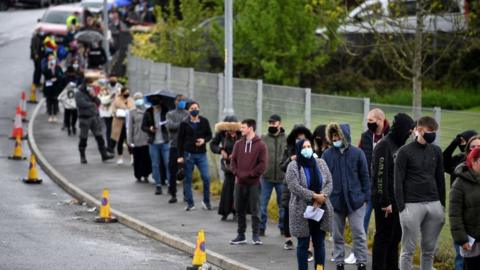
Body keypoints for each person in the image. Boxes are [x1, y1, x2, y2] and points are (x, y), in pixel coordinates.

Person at [394, 116, 446, 270]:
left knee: (429, 250)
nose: (432, 134)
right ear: (418, 130)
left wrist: (442, 205)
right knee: (407, 251)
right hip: (411, 205)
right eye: (429, 131)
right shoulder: (404, 152)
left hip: (434, 204)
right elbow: (398, 182)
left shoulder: (436, 151)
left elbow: (440, 179)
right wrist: (402, 208)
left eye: (434, 131)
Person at [322, 122, 369, 270]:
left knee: (359, 233)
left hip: (356, 202)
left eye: (338, 136)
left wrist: (365, 198)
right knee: (337, 235)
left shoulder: (357, 153)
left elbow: (364, 176)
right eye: (333, 136)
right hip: (335, 202)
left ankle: (361, 261)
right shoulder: (327, 155)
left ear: (345, 136)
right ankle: (339, 262)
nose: (335, 138)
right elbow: (323, 177)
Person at [371, 113, 414, 270]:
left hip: (397, 201)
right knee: (383, 237)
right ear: (402, 128)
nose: (410, 133)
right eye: (409, 129)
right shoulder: (384, 145)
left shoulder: (399, 145)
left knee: (394, 238)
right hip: (385, 202)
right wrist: (385, 201)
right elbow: (380, 176)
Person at [286, 138, 333, 270]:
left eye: (309, 146)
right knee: (303, 244)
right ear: (299, 150)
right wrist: (314, 196)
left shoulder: (321, 163)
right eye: (304, 147)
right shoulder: (293, 166)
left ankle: (319, 269)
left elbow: (329, 182)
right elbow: (294, 186)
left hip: (320, 210)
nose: (307, 149)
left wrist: (322, 196)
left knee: (319, 244)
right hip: (301, 211)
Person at [350, 108, 390, 265]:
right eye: (367, 120)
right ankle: (357, 253)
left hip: (384, 190)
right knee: (361, 222)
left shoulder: (390, 137)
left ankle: (385, 257)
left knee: (384, 227)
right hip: (367, 188)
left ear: (380, 120)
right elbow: (358, 158)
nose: (369, 123)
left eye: (371, 120)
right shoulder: (366, 136)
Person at [443, 130, 477, 270]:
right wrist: (454, 143)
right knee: (461, 258)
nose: (475, 150)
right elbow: (444, 160)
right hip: (462, 219)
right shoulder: (459, 163)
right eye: (472, 146)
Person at [230, 119, 268, 245]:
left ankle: (255, 235)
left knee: (255, 209)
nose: (241, 129)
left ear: (250, 128)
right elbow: (233, 161)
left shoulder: (261, 145)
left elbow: (262, 165)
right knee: (239, 208)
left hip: (254, 183)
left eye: (243, 127)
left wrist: (250, 174)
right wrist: (237, 172)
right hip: (239, 183)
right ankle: (241, 235)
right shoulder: (238, 144)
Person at [280, 125, 314, 251]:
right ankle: (288, 239)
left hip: (306, 186)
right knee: (287, 212)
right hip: (289, 186)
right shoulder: (288, 149)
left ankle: (307, 242)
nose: (300, 141)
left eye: (302, 138)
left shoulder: (309, 150)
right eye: (298, 139)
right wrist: (291, 159)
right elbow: (282, 166)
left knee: (307, 214)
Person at [177, 102, 213, 211]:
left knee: (206, 177)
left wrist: (204, 140)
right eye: (192, 108)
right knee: (188, 179)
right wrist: (180, 156)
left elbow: (209, 135)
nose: (194, 110)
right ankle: (190, 203)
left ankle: (206, 202)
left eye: (196, 108)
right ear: (188, 110)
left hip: (201, 154)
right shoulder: (184, 123)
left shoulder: (204, 121)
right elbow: (180, 140)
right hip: (188, 154)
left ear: (199, 109)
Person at [450, 148, 480, 270]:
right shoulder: (459, 184)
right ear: (473, 161)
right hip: (472, 243)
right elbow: (454, 215)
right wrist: (462, 239)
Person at [75, 78, 114, 164]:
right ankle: (83, 156)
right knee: (83, 138)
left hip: (94, 117)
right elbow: (81, 104)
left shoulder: (91, 93)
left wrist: (94, 96)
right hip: (84, 118)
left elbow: (99, 102)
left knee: (99, 137)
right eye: (89, 85)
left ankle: (104, 155)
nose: (90, 87)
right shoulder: (79, 93)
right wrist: (92, 104)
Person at [210, 116, 242, 221]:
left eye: (234, 129)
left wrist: (236, 154)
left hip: (240, 165)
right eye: (229, 129)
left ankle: (237, 211)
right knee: (228, 187)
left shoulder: (241, 134)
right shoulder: (221, 134)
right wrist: (220, 151)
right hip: (228, 165)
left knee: (238, 188)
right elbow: (213, 144)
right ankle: (225, 211)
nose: (232, 132)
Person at [260, 114, 286, 236]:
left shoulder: (286, 139)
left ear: (279, 124)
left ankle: (282, 227)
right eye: (270, 123)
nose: (271, 125)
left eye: (274, 123)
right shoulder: (263, 139)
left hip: (282, 178)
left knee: (283, 205)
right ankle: (261, 228)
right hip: (266, 177)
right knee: (262, 204)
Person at [142, 93, 171, 195]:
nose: (156, 108)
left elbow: (170, 122)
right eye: (155, 106)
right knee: (155, 164)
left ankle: (170, 185)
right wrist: (149, 129)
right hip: (153, 142)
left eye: (158, 106)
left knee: (167, 163)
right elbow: (143, 126)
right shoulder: (148, 112)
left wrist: (166, 124)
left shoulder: (166, 111)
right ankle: (158, 185)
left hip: (164, 141)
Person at [165, 95, 189, 203]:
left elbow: (189, 128)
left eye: (183, 100)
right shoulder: (170, 114)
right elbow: (170, 126)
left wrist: (180, 126)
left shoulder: (188, 114)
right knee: (172, 170)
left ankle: (186, 194)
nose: (181, 102)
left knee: (185, 170)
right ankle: (173, 193)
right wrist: (182, 124)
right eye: (179, 100)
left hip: (185, 147)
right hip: (174, 146)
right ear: (175, 102)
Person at [127, 92, 151, 183]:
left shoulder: (147, 110)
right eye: (136, 99)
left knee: (146, 158)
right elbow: (130, 127)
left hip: (146, 137)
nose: (138, 101)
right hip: (136, 138)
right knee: (137, 158)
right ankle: (138, 175)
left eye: (140, 98)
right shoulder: (132, 112)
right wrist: (129, 140)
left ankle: (146, 175)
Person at [111, 87, 135, 165]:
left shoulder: (130, 100)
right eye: (125, 92)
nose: (127, 94)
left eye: (128, 92)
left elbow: (133, 109)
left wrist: (126, 110)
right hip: (119, 123)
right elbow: (113, 110)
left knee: (129, 141)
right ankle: (120, 158)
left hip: (128, 123)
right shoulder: (116, 100)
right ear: (122, 93)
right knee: (120, 141)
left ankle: (132, 157)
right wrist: (120, 111)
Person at [43, 53, 64, 123]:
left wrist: (56, 79)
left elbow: (61, 76)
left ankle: (54, 115)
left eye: (53, 59)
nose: (52, 61)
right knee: (49, 102)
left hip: (56, 88)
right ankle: (50, 115)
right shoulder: (46, 67)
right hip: (49, 88)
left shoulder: (58, 68)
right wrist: (49, 68)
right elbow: (45, 76)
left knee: (55, 102)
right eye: (50, 59)